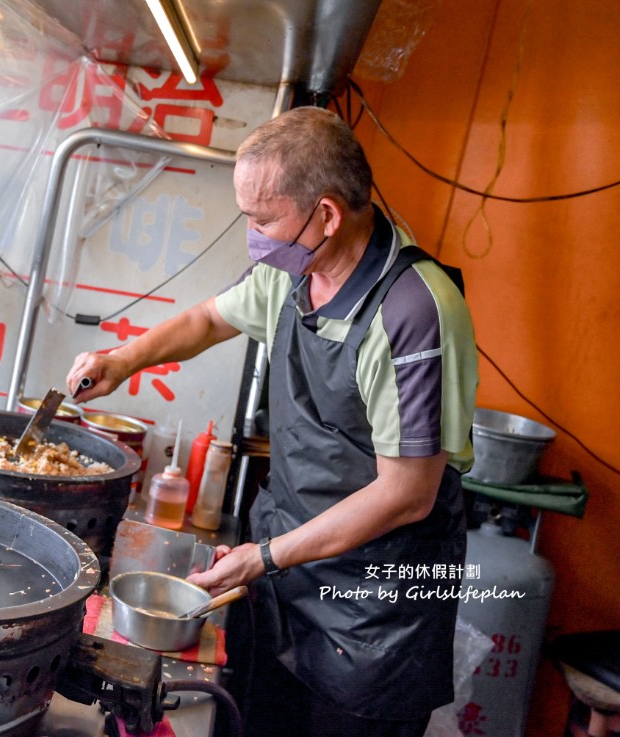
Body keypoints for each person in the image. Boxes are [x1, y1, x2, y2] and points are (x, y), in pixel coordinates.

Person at [67, 106, 477, 737]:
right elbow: (209, 318)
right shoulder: (294, 270)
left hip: (375, 614)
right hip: (288, 572)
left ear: (328, 213)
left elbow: (407, 494)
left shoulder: (413, 312)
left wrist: (263, 557)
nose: (253, 237)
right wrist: (124, 358)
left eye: (262, 219)